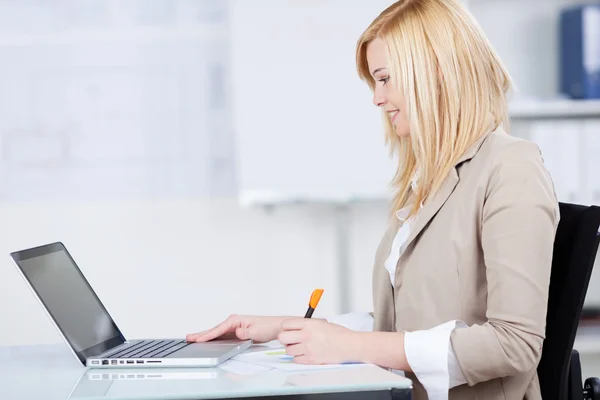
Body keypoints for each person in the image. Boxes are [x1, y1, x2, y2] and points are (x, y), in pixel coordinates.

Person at [187, 0, 559, 399]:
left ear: (433, 70)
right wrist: (282, 328)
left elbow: (514, 343)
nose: (377, 99)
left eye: (384, 78)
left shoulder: (509, 167)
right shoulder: (427, 180)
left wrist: (349, 345)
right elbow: (403, 326)